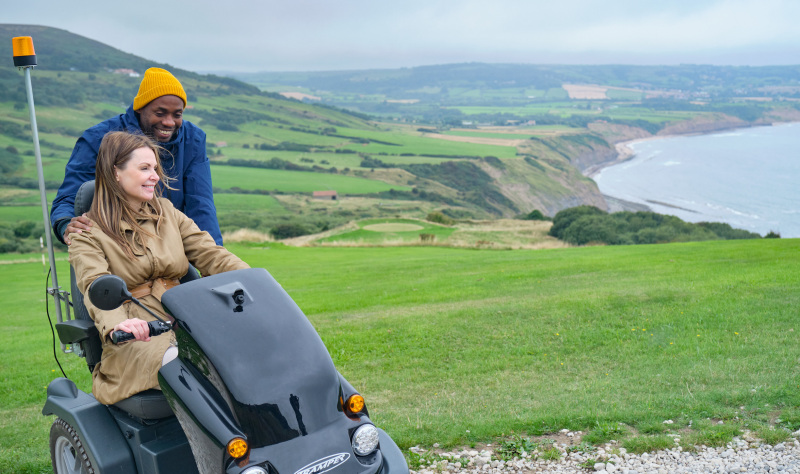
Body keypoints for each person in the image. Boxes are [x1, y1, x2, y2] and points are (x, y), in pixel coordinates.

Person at [68, 131, 249, 406]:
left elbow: (212, 255)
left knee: (250, 348)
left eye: (154, 168)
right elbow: (96, 283)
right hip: (135, 336)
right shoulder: (86, 234)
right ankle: (227, 445)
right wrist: (122, 325)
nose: (155, 175)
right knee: (188, 366)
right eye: (144, 168)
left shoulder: (167, 213)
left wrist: (254, 281)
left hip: (185, 317)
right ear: (115, 171)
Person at [51, 67, 223, 246]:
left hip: (171, 245)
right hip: (117, 245)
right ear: (140, 108)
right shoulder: (98, 139)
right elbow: (72, 194)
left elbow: (201, 204)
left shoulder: (193, 139)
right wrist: (65, 224)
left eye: (177, 114)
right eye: (160, 113)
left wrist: (215, 257)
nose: (169, 122)